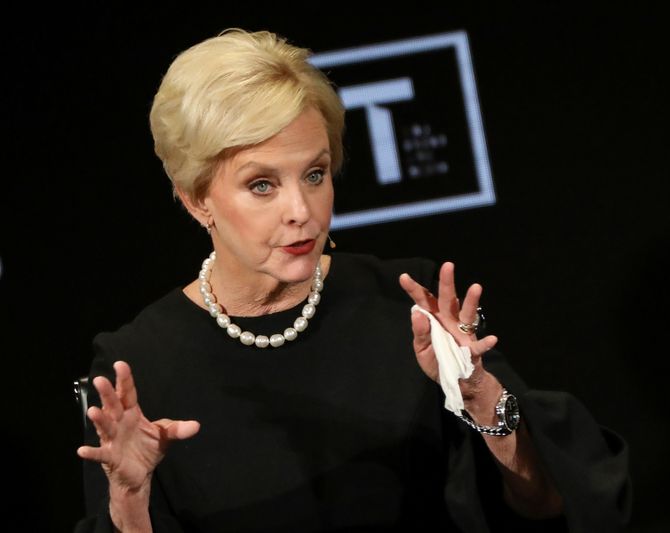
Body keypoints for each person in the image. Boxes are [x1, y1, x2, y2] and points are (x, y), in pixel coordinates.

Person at [74, 28, 631, 533]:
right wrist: (129, 498)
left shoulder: (408, 306)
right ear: (198, 199)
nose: (301, 210)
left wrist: (481, 399)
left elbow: (550, 506)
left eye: (314, 174)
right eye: (262, 184)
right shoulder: (136, 365)